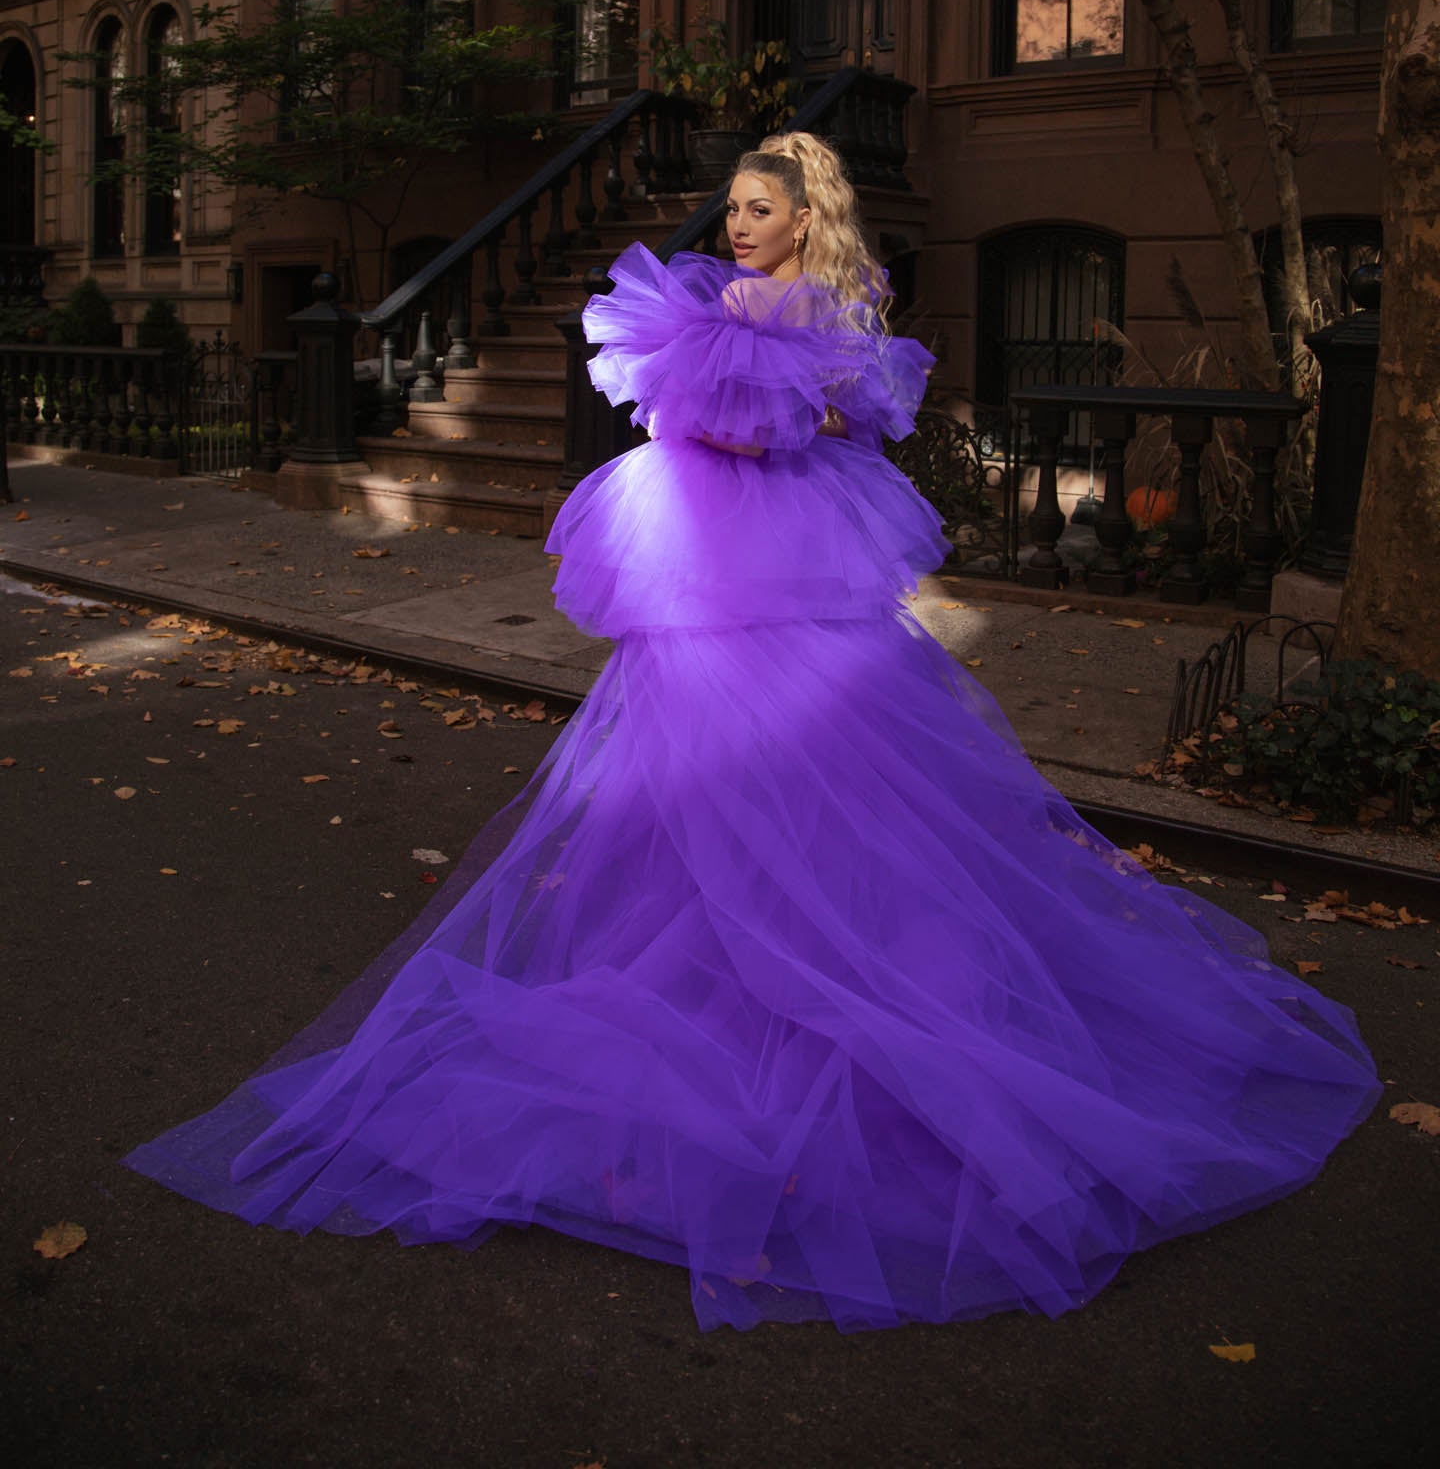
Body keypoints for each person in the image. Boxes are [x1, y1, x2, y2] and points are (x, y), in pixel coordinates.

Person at [125, 132, 1379, 1333]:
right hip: (769, 564)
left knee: (726, 784)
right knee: (794, 786)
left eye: (758, 208)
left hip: (740, 569)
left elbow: (739, 425)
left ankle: (774, 970)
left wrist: (706, 390)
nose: (736, 223)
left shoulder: (764, 308)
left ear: (804, 216)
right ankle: (784, 941)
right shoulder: (811, 304)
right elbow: (843, 418)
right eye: (731, 208)